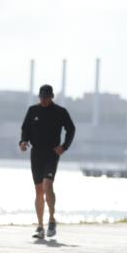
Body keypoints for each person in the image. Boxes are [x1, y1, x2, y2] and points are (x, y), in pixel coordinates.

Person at [19, 84, 75, 239]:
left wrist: (64, 146)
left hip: (52, 153)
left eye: (47, 98)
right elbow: (25, 130)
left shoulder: (60, 112)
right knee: (38, 190)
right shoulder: (33, 110)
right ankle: (40, 226)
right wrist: (23, 142)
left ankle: (51, 219)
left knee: (47, 184)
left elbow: (71, 129)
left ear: (52, 97)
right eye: (42, 97)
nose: (44, 100)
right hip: (36, 153)